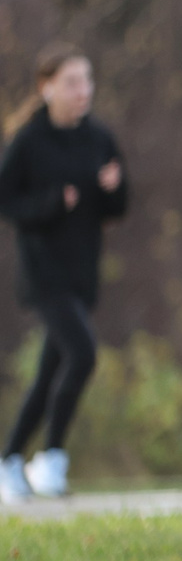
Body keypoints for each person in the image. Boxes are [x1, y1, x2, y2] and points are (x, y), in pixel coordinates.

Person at [0, 45, 129, 502]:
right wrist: (51, 203)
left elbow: (117, 206)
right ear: (46, 86)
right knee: (83, 353)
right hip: (43, 274)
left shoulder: (98, 137)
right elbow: (7, 201)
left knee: (49, 371)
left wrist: (114, 190)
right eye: (72, 82)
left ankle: (10, 458)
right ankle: (51, 458)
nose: (83, 91)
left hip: (82, 272)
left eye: (87, 80)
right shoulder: (29, 141)